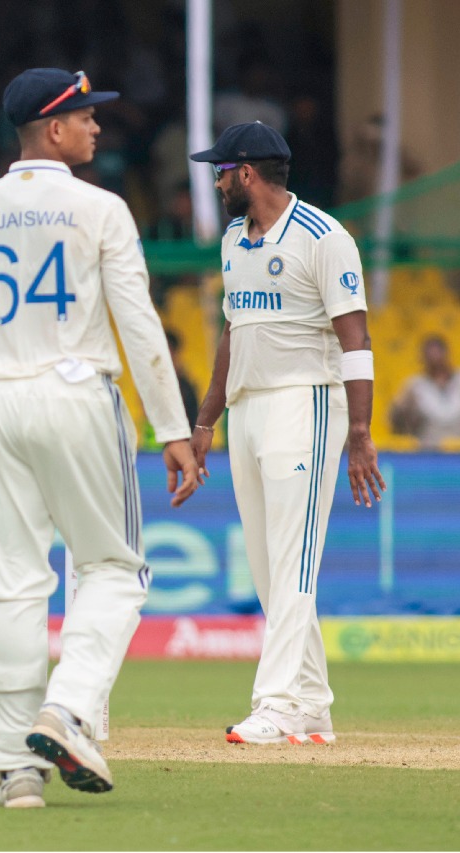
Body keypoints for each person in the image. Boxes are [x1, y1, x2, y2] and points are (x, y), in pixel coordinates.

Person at [0, 68, 202, 808]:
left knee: (9, 587)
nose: (97, 127)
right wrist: (174, 428)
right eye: (86, 116)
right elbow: (138, 324)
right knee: (114, 569)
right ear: (52, 130)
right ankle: (70, 707)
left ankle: (15, 769)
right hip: (75, 393)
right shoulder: (100, 209)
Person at [188, 121, 385, 746]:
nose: (216, 180)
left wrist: (359, 431)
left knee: (294, 561)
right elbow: (231, 332)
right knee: (271, 569)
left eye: (222, 170)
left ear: (248, 173)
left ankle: (273, 705)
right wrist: (206, 419)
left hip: (307, 403)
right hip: (247, 409)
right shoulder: (232, 241)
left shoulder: (325, 238)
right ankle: (309, 704)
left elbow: (356, 340)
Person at [390, 336, 460, 449]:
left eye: (438, 354)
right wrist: (406, 411)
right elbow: (395, 422)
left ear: (446, 354)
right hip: (428, 450)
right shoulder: (414, 386)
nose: (435, 359)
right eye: (430, 356)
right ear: (423, 358)